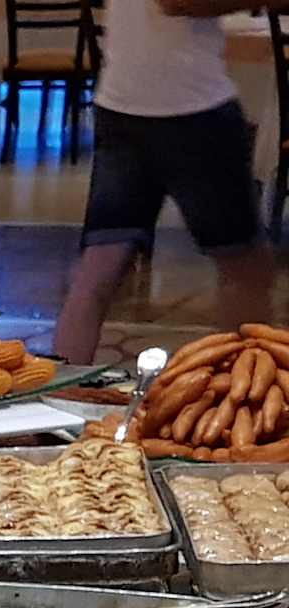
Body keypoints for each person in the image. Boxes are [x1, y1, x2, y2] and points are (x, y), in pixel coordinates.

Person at [52, 0, 278, 363]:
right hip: (191, 110)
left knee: (99, 268)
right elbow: (179, 3)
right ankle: (244, 385)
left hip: (122, 102)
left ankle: (61, 382)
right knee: (245, 268)